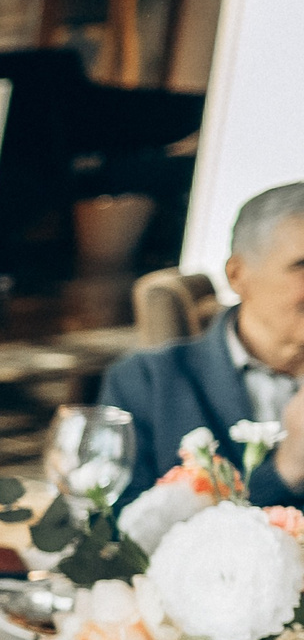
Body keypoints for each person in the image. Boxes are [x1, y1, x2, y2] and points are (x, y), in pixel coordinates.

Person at [99, 181, 304, 503]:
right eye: (301, 266)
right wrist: (286, 468)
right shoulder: (145, 384)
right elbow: (114, 531)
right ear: (237, 274)